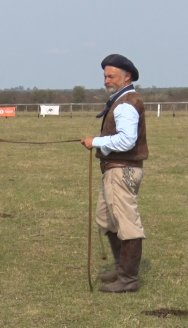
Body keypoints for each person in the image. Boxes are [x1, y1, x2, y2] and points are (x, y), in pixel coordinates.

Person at [81, 54, 148, 293]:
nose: (106, 80)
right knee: (106, 219)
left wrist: (95, 141)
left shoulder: (126, 104)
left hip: (122, 170)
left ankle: (128, 278)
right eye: (105, 76)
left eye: (111, 76)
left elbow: (127, 140)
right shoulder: (120, 100)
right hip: (115, 170)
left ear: (126, 76)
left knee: (127, 224)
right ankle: (121, 269)